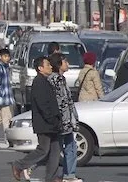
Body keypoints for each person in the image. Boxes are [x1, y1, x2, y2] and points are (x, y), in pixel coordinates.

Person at [12, 57, 61, 182]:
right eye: (48, 65)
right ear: (40, 68)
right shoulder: (39, 82)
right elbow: (42, 104)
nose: (50, 67)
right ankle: (19, 165)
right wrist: (51, 119)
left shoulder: (45, 81)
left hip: (52, 122)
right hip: (45, 123)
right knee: (43, 150)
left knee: (55, 150)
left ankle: (51, 177)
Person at [47, 53, 81, 182]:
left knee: (70, 147)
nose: (67, 64)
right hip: (62, 120)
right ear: (59, 64)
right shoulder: (56, 79)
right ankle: (30, 167)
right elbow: (61, 101)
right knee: (56, 149)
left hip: (66, 120)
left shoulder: (60, 78)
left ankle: (69, 174)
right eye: (65, 61)